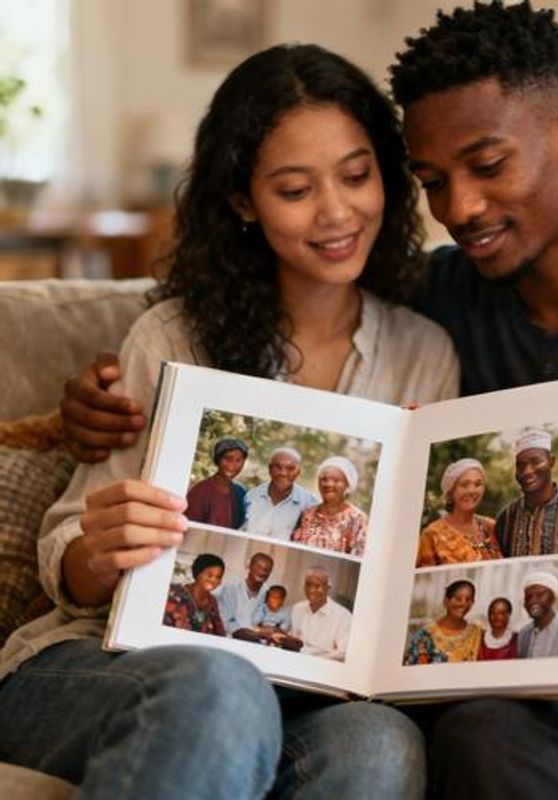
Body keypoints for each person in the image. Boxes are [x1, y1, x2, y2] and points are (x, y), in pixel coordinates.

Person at [52, 2, 558, 795]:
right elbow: (279, 308)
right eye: (433, 182)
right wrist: (98, 394)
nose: (460, 210)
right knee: (480, 732)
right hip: (538, 675)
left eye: (488, 165)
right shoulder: (437, 299)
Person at [0, 43, 466, 799]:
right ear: (244, 202)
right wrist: (104, 548)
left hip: (308, 689)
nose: (337, 212)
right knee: (223, 686)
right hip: (109, 664)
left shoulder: (425, 354)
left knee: (382, 744)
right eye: (295, 189)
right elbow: (69, 565)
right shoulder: (172, 338)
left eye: (357, 176)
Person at [494, 430, 558, 556]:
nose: (527, 471)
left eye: (536, 462)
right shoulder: (506, 519)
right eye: (521, 465)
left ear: (551, 461)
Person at [416, 457, 502, 566]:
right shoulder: (432, 535)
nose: (472, 490)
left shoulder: (492, 527)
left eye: (478, 484)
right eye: (464, 485)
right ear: (450, 492)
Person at [292, 456, 368, 556]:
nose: (328, 484)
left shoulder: (357, 519)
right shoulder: (308, 514)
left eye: (336, 480)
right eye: (324, 479)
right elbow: (297, 548)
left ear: (348, 485)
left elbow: (358, 557)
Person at [241, 447, 317, 538]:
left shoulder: (309, 503)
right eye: (278, 467)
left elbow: (312, 536)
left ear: (298, 472)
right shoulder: (251, 496)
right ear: (270, 469)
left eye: (290, 468)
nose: (283, 473)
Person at [404, 579, 483, 664]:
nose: (463, 604)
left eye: (468, 600)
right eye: (458, 599)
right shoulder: (425, 635)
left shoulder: (476, 632)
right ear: (446, 601)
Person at [281, 567, 351, 660]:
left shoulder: (343, 616)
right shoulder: (297, 608)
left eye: (317, 586)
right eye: (308, 585)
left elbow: (343, 653)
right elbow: (293, 639)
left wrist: (311, 659)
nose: (312, 590)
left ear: (328, 587)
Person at [185, 437, 250, 529]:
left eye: (238, 460)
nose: (232, 465)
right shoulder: (200, 492)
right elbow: (190, 526)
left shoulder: (240, 492)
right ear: (217, 459)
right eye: (227, 458)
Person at [163, 553, 227, 636]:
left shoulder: (212, 601)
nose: (213, 580)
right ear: (198, 573)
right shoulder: (176, 593)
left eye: (218, 577)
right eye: (209, 575)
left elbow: (220, 631)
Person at [516, 571, 558, 659]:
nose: (532, 601)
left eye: (540, 595)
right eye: (528, 597)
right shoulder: (523, 633)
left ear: (553, 598)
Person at [215, 552, 273, 636]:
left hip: (252, 638)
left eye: (267, 570)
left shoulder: (266, 593)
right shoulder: (231, 588)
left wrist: (267, 630)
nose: (262, 572)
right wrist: (253, 633)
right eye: (259, 567)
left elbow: (258, 621)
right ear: (250, 567)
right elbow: (225, 621)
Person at [477, 596, 518, 661]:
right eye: (492, 613)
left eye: (501, 613)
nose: (496, 616)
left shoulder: (517, 640)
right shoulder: (479, 639)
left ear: (508, 616)